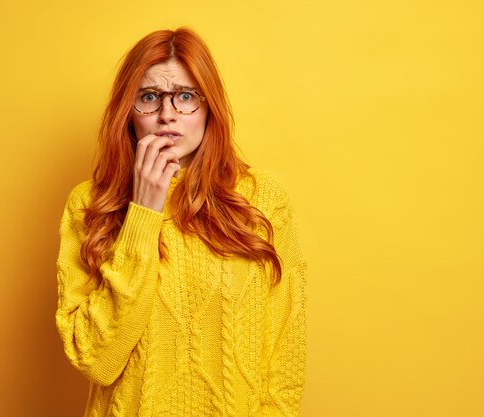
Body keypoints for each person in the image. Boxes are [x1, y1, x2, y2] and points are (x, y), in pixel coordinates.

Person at [55, 27, 308, 417]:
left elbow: (284, 355)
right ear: (128, 111)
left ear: (210, 109)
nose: (167, 115)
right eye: (150, 97)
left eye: (186, 96)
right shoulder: (89, 205)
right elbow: (97, 360)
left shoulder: (263, 200)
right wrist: (144, 210)